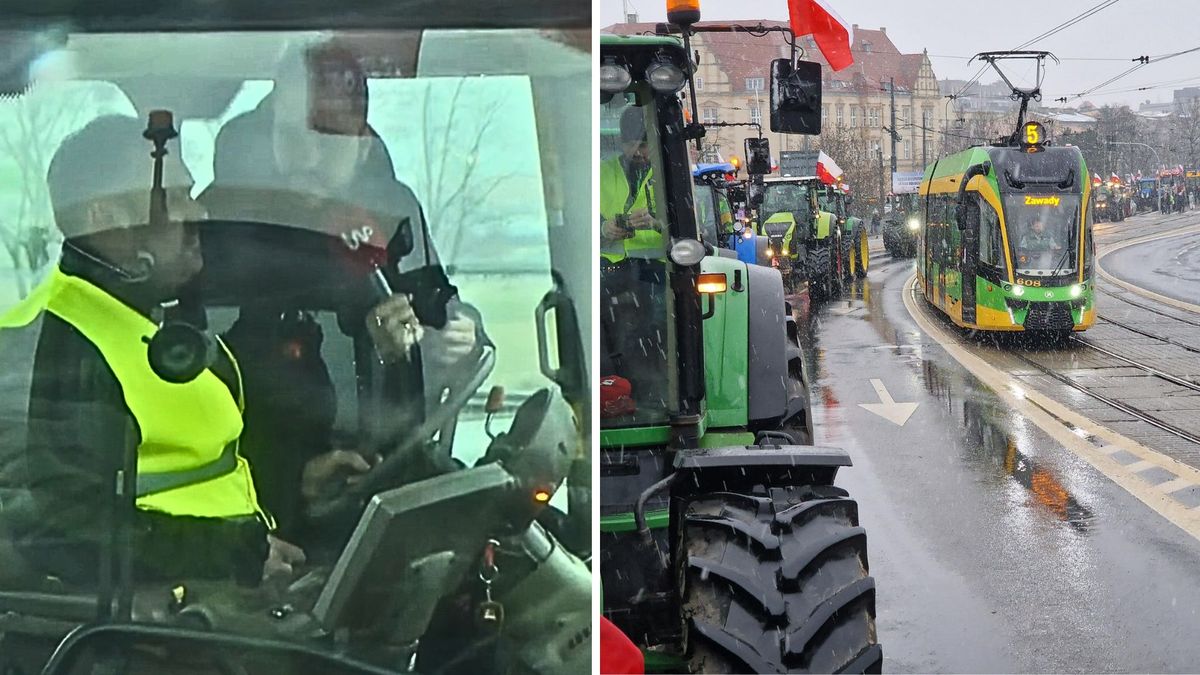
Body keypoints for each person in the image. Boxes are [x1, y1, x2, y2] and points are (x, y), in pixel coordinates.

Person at [203, 41, 488, 544]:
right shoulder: (220, 224)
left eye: (328, 137)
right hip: (266, 509)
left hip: (391, 477)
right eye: (292, 134)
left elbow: (437, 301)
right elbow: (204, 379)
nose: (307, 156)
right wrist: (290, 477)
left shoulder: (392, 210)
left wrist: (458, 334)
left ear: (361, 142)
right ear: (269, 126)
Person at [0, 115, 302, 586]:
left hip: (229, 595)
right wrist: (234, 555)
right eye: (176, 196)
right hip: (146, 634)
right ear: (105, 216)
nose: (199, 213)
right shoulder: (35, 342)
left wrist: (298, 487)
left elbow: (201, 470)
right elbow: (47, 526)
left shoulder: (151, 317)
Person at [598, 105, 667, 416]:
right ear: (622, 143)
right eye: (632, 144)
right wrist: (605, 229)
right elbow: (580, 222)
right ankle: (611, 391)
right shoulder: (602, 173)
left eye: (644, 145)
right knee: (605, 331)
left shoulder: (669, 176)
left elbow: (694, 230)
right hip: (611, 269)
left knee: (653, 327)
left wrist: (657, 223)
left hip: (657, 273)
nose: (638, 152)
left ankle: (653, 395)